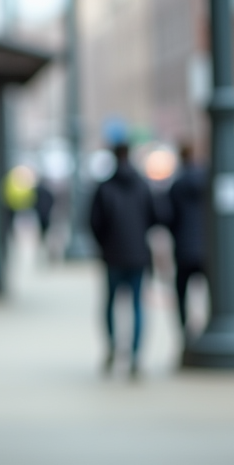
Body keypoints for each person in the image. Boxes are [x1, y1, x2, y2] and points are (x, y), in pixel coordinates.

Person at [89, 143, 158, 375]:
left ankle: (112, 348)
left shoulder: (105, 187)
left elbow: (94, 223)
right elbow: (154, 217)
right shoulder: (142, 185)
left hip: (113, 256)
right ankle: (136, 356)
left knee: (110, 304)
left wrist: (105, 244)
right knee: (137, 305)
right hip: (138, 255)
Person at [166, 144, 207, 343]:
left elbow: (168, 216)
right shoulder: (207, 180)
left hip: (183, 248)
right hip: (208, 249)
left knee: (182, 293)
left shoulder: (177, 184)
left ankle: (185, 331)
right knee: (211, 292)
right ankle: (207, 326)